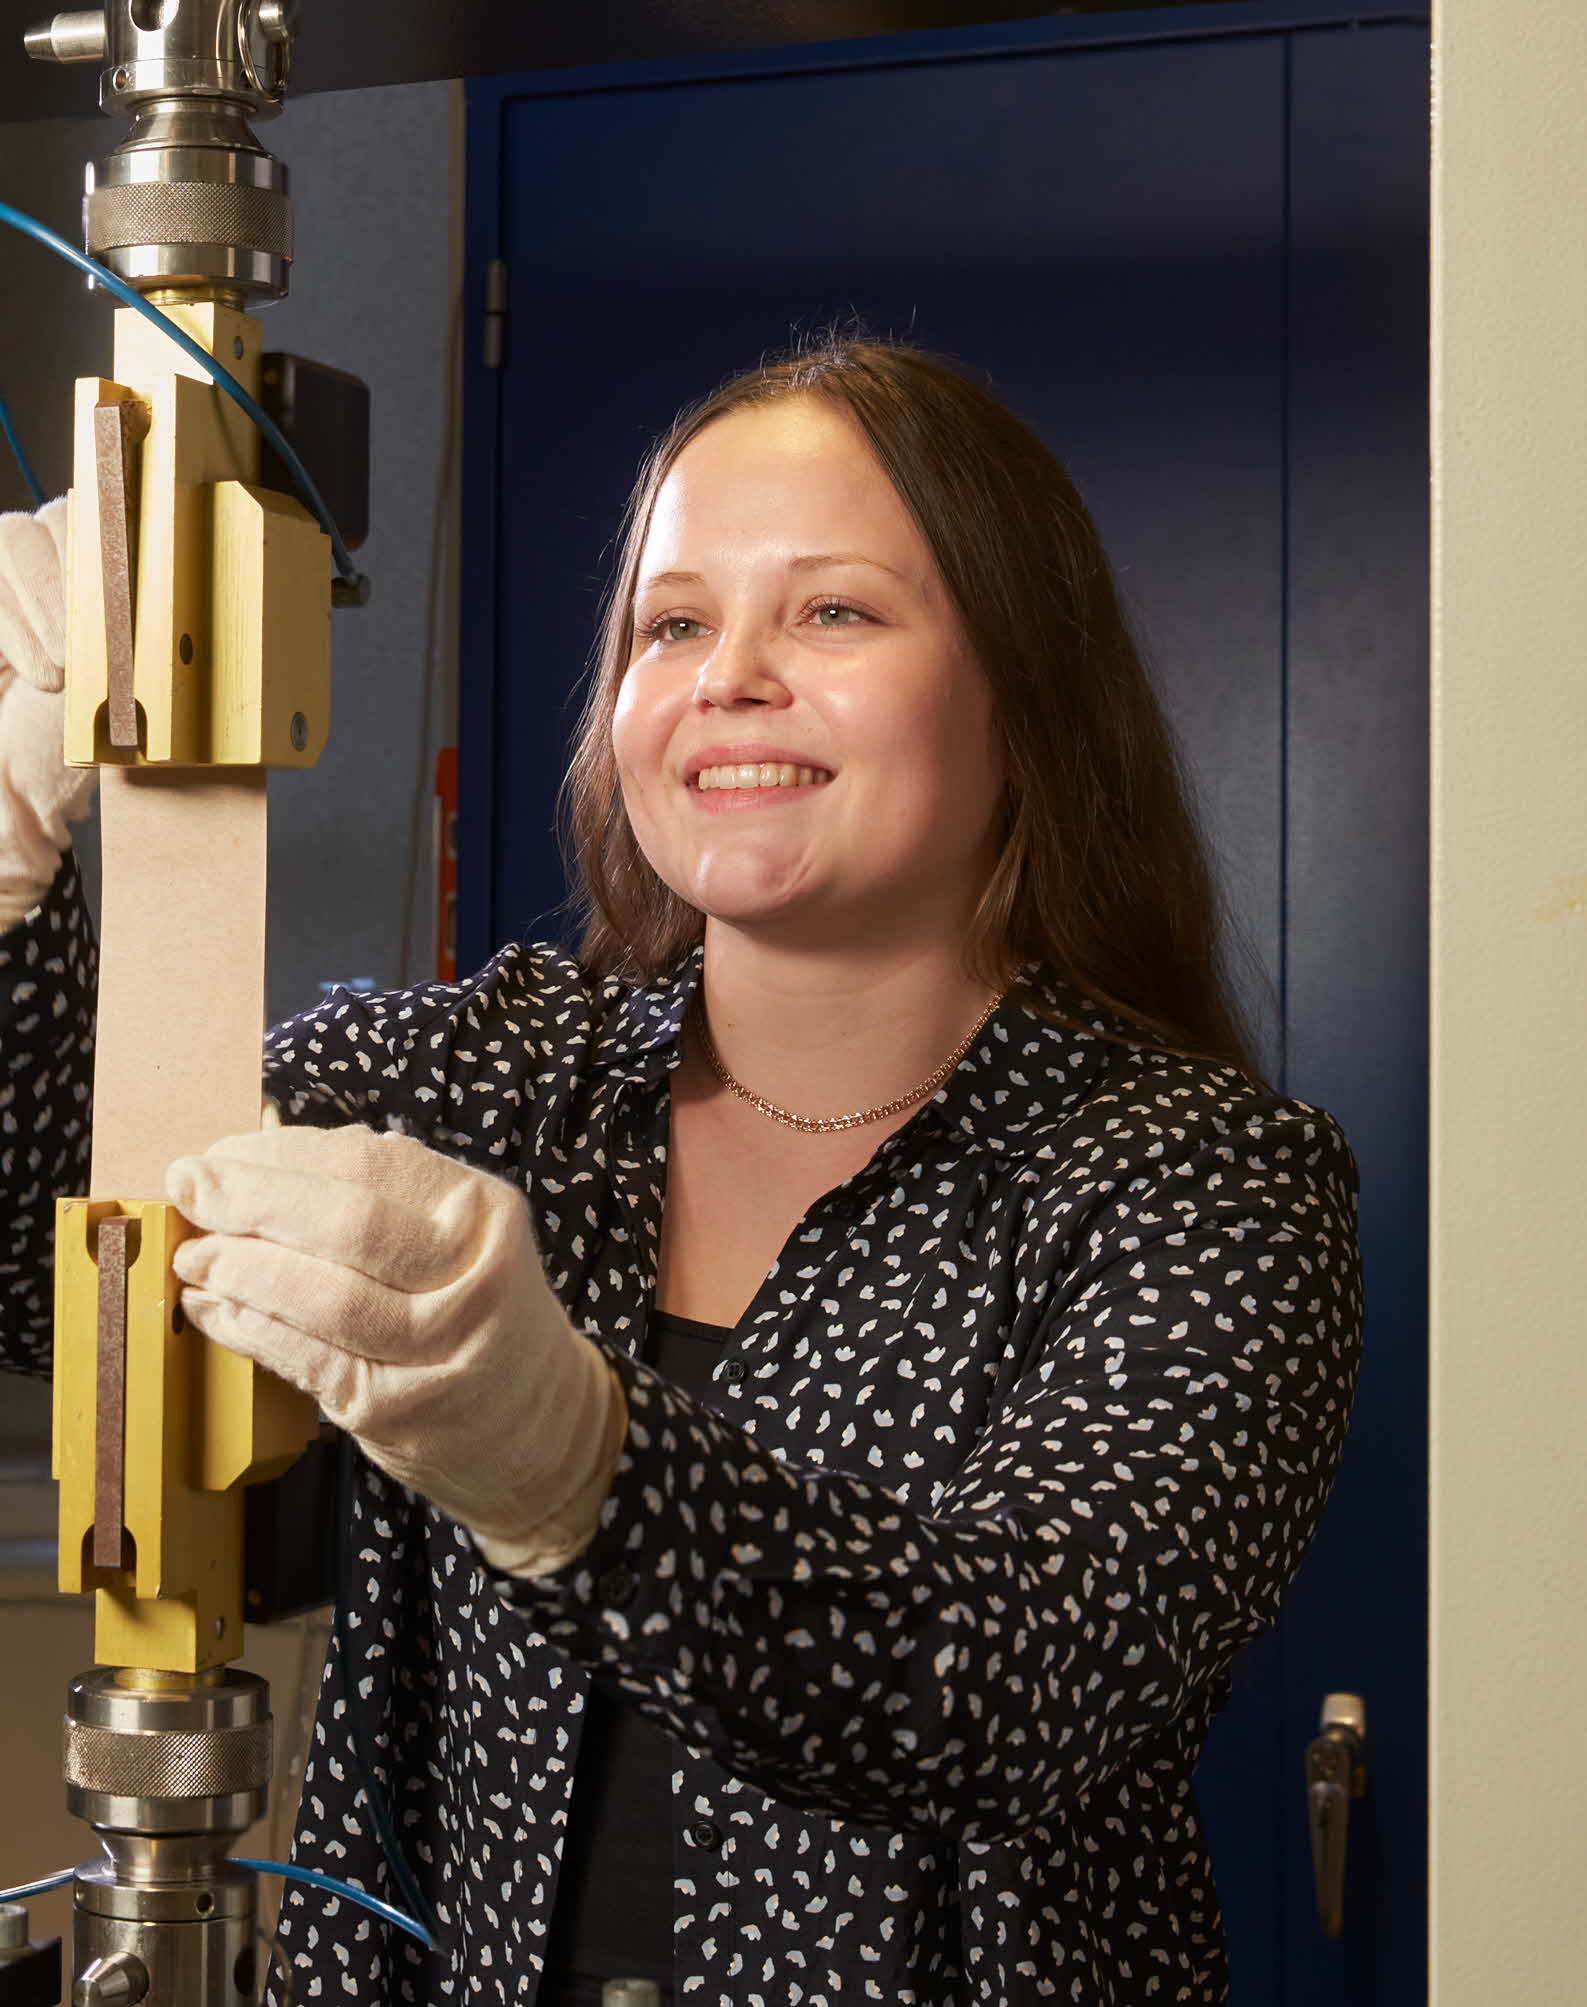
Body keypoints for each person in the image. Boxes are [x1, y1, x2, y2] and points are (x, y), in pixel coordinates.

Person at [0, 338, 1363, 2006]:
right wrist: (9, 851)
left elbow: (1006, 1681)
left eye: (835, 612)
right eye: (674, 623)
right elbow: (47, 1280)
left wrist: (576, 1464)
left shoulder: (1204, 1189)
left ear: (1027, 687)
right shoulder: (477, 1083)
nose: (729, 677)